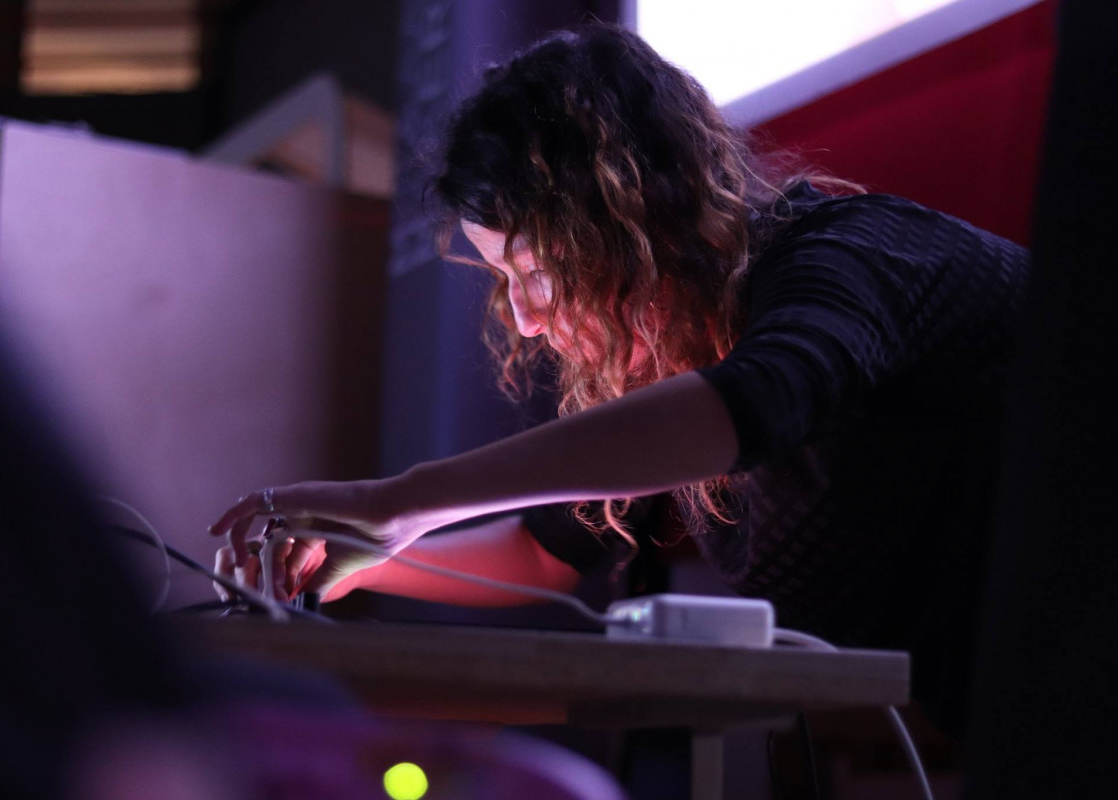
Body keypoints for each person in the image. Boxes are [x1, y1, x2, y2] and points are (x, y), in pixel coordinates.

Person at [210, 23, 1030, 737]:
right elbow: (545, 553)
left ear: (633, 216)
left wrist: (404, 498)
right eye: (505, 280)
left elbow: (754, 404)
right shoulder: (684, 358)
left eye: (536, 269)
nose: (527, 319)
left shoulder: (854, 256)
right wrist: (363, 555)